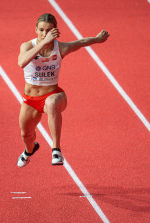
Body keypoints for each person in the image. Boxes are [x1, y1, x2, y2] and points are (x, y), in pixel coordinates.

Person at [17, 13, 110, 167]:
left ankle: (56, 150)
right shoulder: (27, 46)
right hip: (31, 99)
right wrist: (43, 42)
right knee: (26, 135)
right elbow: (22, 62)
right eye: (41, 30)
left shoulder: (60, 48)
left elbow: (80, 42)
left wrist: (97, 39)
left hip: (53, 94)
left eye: (48, 31)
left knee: (52, 103)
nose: (44, 34)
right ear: (36, 30)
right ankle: (29, 151)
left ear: (56, 31)